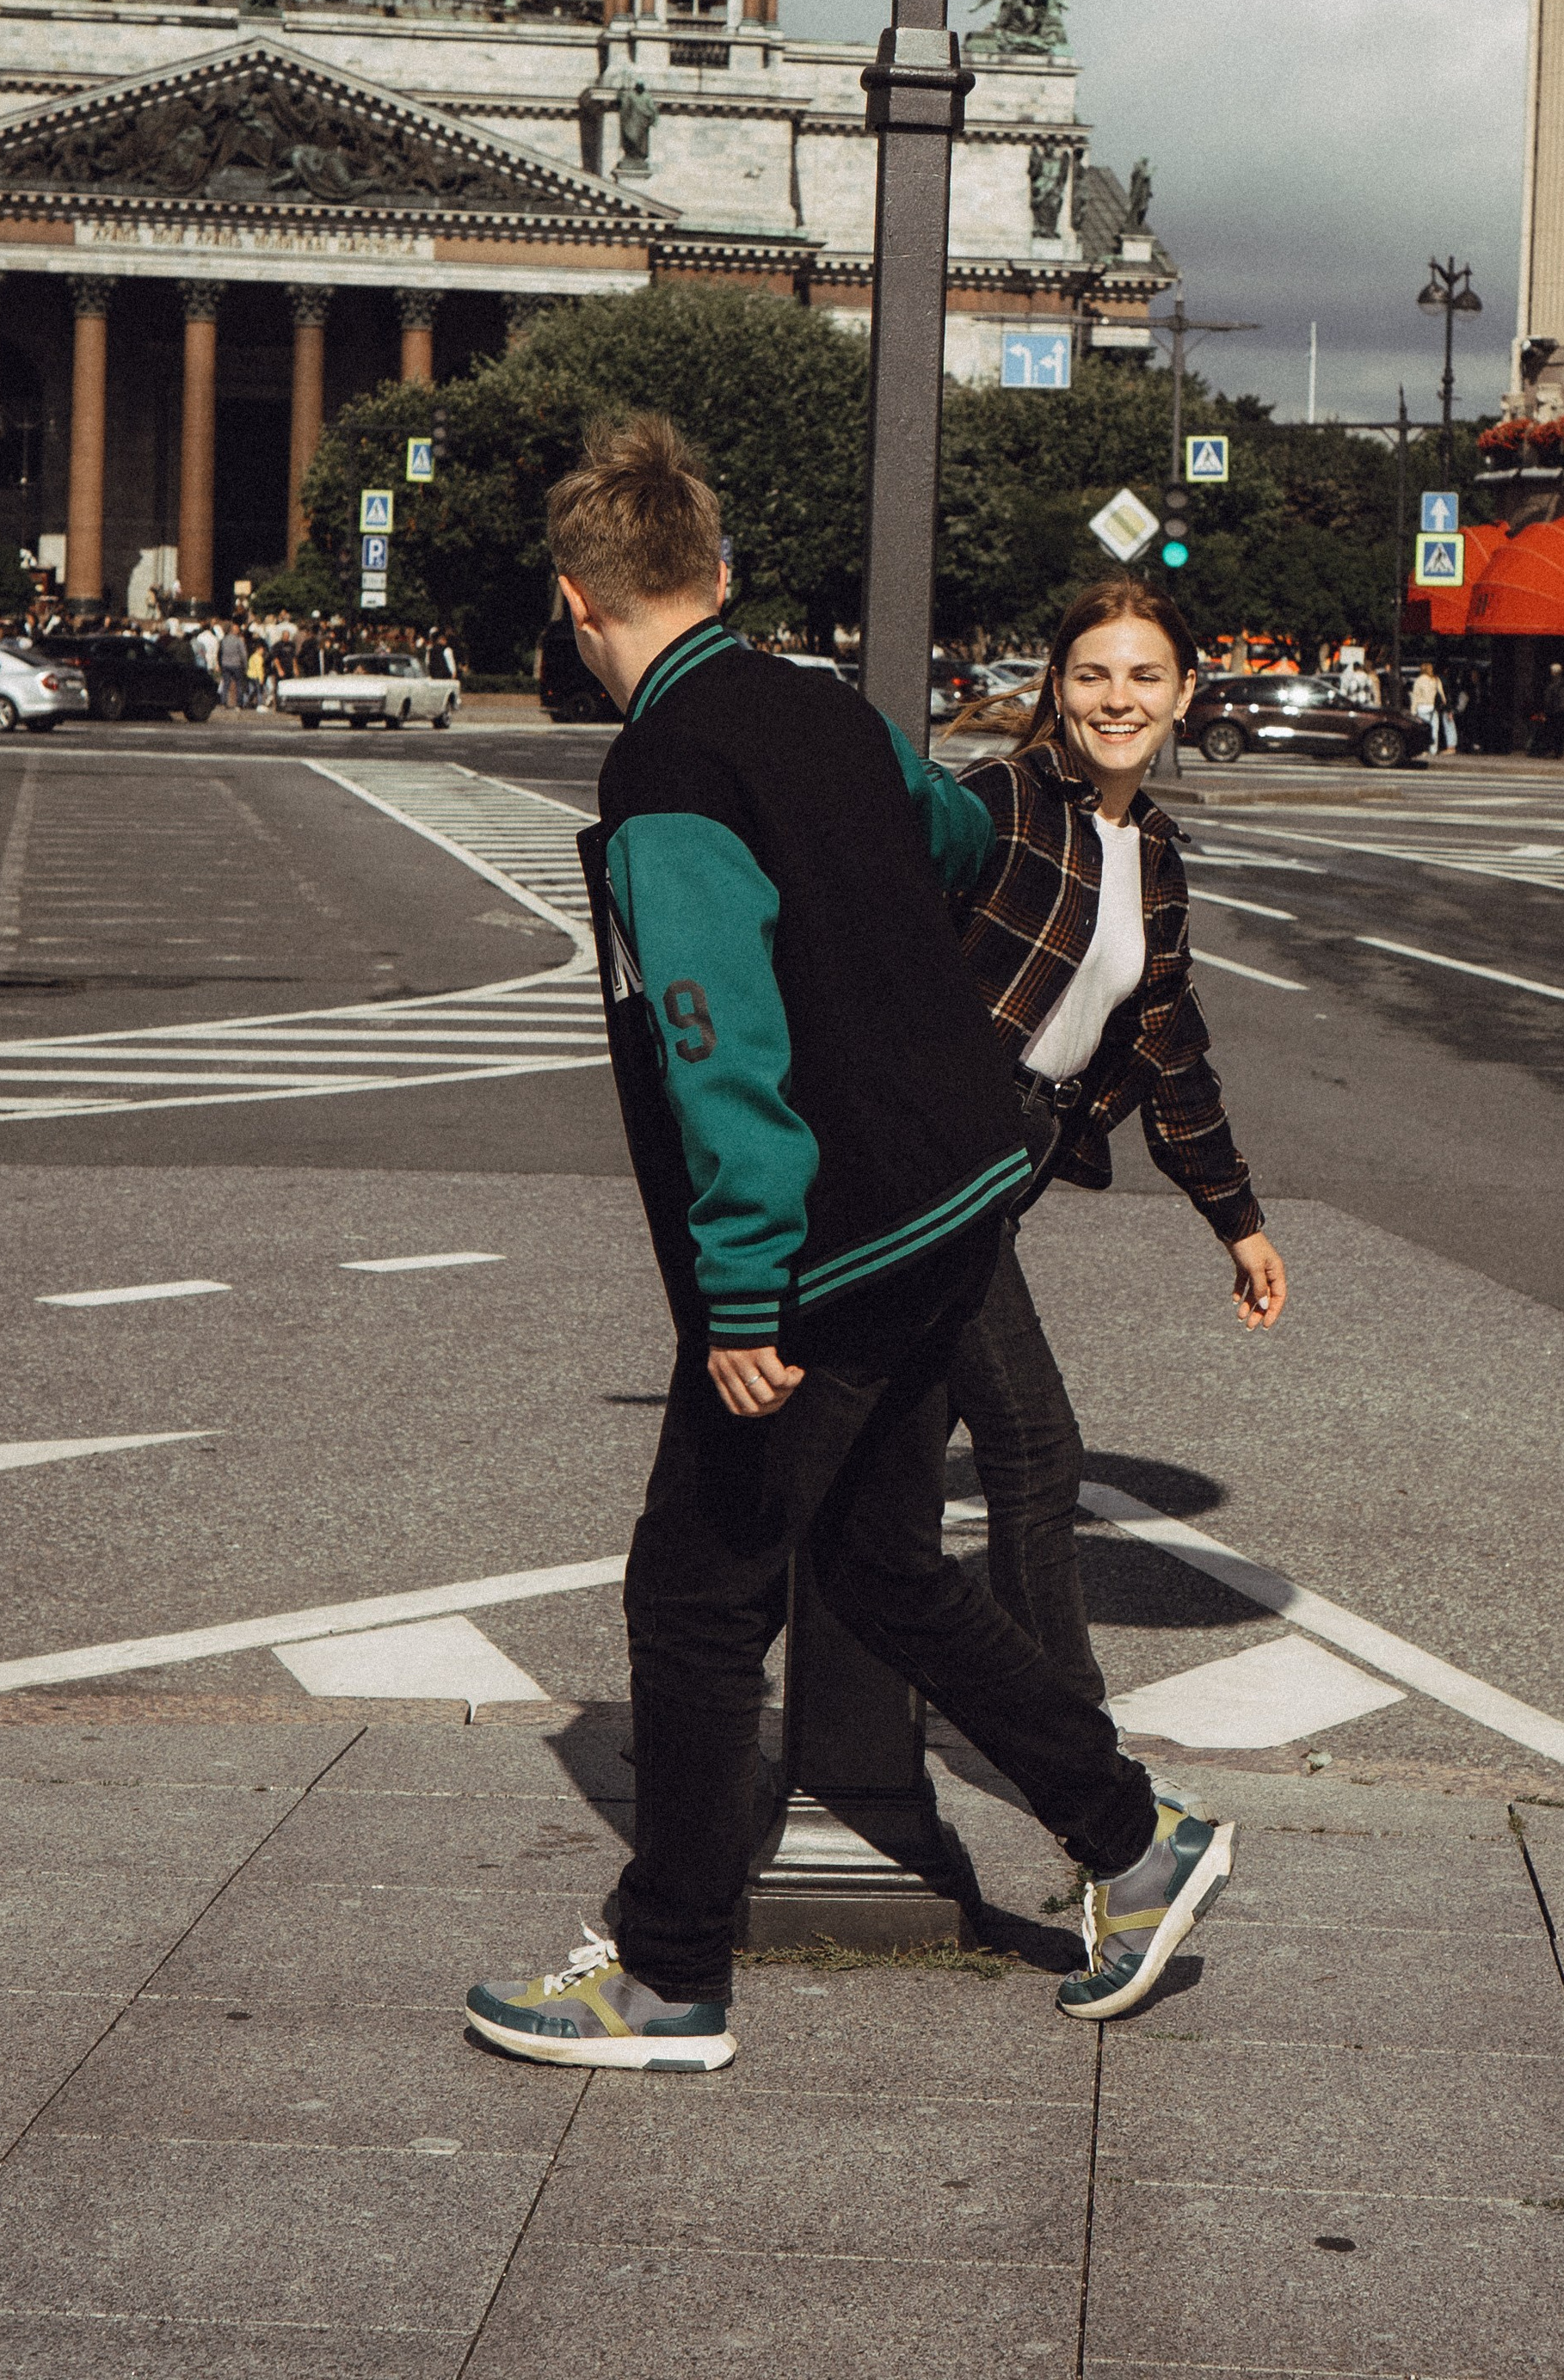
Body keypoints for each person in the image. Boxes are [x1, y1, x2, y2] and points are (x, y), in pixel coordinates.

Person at [464, 415, 1234, 2076]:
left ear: (578, 603)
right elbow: (954, 838)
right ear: (720, 572)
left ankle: (668, 1975)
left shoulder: (668, 768)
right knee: (880, 1562)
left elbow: (715, 1040)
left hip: (832, 1239)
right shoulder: (816, 704)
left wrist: (745, 1290)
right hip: (957, 1191)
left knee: (693, 1591)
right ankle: (1131, 1837)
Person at [944, 581, 1286, 1714]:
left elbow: (1169, 1047)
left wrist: (1236, 1220)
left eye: (1145, 676)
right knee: (1037, 1454)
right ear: (1056, 687)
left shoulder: (1152, 851)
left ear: (1185, 693)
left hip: (1010, 1165)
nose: (1118, 698)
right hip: (935, 1165)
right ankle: (1074, 1753)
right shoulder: (1002, 803)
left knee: (863, 1459)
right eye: (1092, 674)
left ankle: (723, 1692)